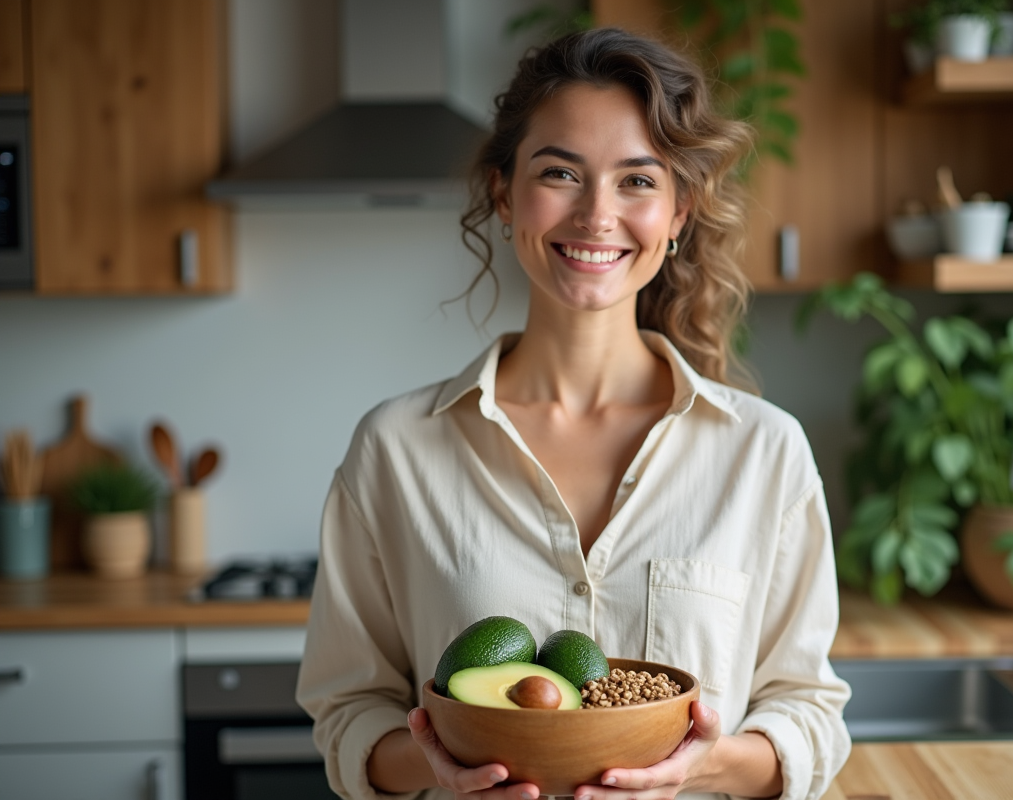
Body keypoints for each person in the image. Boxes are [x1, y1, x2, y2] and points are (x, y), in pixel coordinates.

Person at [297, 26, 851, 800]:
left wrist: (706, 763)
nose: (596, 215)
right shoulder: (395, 450)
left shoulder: (764, 453)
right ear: (503, 191)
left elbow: (809, 715)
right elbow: (349, 711)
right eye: (560, 172)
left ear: (679, 211)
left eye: (637, 181)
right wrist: (434, 765)